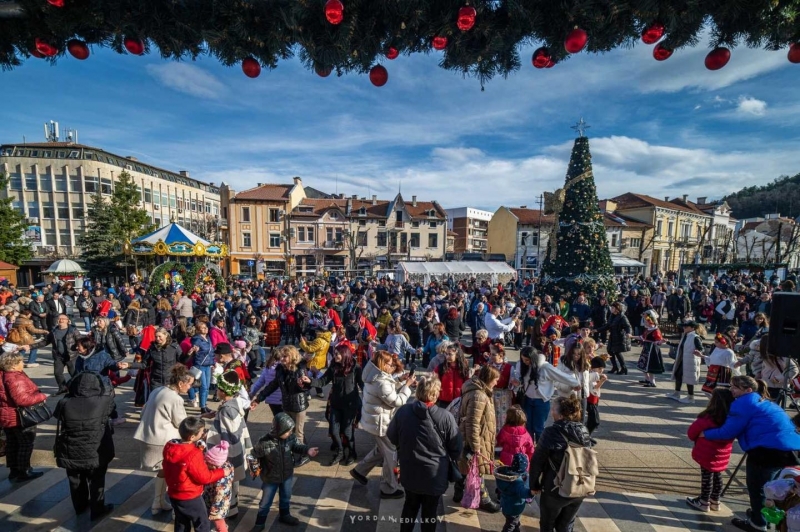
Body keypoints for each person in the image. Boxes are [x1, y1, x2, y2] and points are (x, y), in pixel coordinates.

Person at [703, 375, 800, 532]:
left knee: (758, 488)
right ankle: (763, 516)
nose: (731, 390)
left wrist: (704, 434)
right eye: (731, 386)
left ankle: (758, 524)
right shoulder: (762, 401)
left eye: (735, 387)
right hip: (787, 449)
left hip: (766, 452)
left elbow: (727, 432)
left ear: (748, 390)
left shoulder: (744, 404)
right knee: (772, 488)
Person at [387, 375, 462, 532]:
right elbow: (456, 448)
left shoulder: (404, 411)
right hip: (434, 474)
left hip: (409, 470)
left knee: (410, 506)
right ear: (435, 395)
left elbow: (392, 436)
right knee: (430, 512)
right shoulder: (445, 417)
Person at [53, 371, 116, 520]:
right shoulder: (105, 401)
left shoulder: (64, 402)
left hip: (71, 448)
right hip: (96, 449)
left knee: (75, 480)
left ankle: (80, 506)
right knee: (97, 479)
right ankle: (97, 509)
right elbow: (111, 411)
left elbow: (57, 415)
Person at [350, 350, 412, 499]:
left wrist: (401, 381)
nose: (392, 367)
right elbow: (396, 401)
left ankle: (359, 471)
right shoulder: (380, 381)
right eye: (390, 364)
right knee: (391, 453)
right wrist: (407, 386)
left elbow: (387, 387)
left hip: (375, 421)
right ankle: (389, 487)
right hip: (381, 424)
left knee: (381, 449)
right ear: (382, 364)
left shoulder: (373, 374)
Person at [133, 364, 194, 515]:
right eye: (189, 384)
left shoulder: (157, 390)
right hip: (163, 441)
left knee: (163, 471)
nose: (190, 387)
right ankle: (173, 507)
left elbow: (144, 412)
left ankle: (157, 502)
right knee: (173, 472)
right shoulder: (175, 398)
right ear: (181, 383)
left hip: (147, 435)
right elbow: (182, 423)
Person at [529, 396, 592, 532]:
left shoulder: (551, 432)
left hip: (555, 488)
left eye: (553, 409)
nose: (551, 412)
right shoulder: (584, 430)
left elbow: (537, 462)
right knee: (566, 524)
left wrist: (534, 485)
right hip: (579, 486)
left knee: (547, 524)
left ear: (560, 414)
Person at [162, 417, 231, 532]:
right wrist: (222, 472)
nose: (204, 433)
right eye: (202, 431)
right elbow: (204, 478)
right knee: (202, 523)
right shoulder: (193, 454)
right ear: (192, 437)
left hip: (174, 494)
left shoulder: (170, 446)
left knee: (181, 522)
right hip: (190, 496)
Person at [252, 412, 319, 529]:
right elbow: (253, 455)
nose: (290, 433)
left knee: (286, 496)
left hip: (287, 475)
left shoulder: (291, 438)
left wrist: (307, 450)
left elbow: (298, 446)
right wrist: (254, 467)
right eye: (287, 431)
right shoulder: (264, 442)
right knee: (265, 502)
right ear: (279, 429)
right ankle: (260, 523)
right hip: (270, 478)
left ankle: (285, 515)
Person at [300, 343, 364, 466]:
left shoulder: (356, 368)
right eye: (334, 354)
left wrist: (368, 396)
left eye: (337, 354)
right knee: (334, 431)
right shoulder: (333, 367)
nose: (335, 356)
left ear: (345, 354)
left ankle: (351, 453)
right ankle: (340, 452)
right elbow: (322, 381)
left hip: (350, 405)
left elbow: (362, 385)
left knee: (347, 431)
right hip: (336, 404)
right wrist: (310, 382)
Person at [453, 364, 502, 513]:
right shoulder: (479, 395)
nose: (497, 383)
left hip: (475, 437)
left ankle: (458, 492)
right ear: (488, 379)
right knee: (477, 470)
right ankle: (484, 499)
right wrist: (476, 447)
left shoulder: (478, 391)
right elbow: (472, 423)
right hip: (477, 439)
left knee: (466, 467)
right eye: (495, 379)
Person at [206, 371, 252, 518]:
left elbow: (228, 433)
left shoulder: (228, 409)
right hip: (237, 447)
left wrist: (219, 450)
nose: (216, 391)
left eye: (218, 388)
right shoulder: (235, 403)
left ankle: (230, 509)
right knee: (235, 478)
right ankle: (233, 505)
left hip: (229, 451)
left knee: (228, 481)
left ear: (223, 391)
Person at [251, 346, 311, 460]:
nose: (282, 359)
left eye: (285, 356)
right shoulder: (280, 369)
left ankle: (303, 455)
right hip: (286, 404)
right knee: (289, 430)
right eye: (282, 356)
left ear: (292, 356)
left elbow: (305, 387)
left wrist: (302, 385)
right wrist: (258, 399)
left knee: (298, 432)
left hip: (298, 405)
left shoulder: (299, 369)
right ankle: (294, 452)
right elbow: (273, 385)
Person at [513, 346, 580, 443]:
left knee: (539, 427)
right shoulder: (522, 365)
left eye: (527, 360)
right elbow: (522, 381)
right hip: (527, 399)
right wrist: (518, 383)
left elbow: (561, 376)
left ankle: (542, 449)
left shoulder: (545, 368)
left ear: (533, 358)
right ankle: (529, 448)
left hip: (541, 401)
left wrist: (575, 383)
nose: (525, 362)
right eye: (523, 360)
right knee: (528, 426)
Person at [0, 350, 47, 481]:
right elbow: (22, 400)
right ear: (13, 364)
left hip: (7, 416)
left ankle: (14, 470)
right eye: (20, 361)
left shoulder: (3, 374)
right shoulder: (14, 378)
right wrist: (41, 396)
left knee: (13, 443)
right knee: (25, 444)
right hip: (20, 417)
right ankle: (24, 471)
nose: (22, 363)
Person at [686, 388, 735, 513]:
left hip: (706, 453)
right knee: (718, 476)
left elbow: (691, 433)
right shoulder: (731, 419)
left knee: (707, 477)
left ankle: (704, 501)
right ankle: (715, 500)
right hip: (723, 454)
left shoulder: (707, 418)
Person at [130, 327, 182, 404]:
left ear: (165, 335)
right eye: (156, 336)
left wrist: (189, 354)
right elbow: (144, 364)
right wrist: (129, 365)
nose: (157, 339)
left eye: (159, 336)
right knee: (156, 402)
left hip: (170, 380)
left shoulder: (174, 347)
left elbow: (182, 360)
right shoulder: (152, 348)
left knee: (169, 403)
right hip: (156, 381)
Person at [667, 320, 706, 404]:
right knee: (678, 375)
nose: (684, 328)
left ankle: (690, 397)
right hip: (683, 359)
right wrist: (668, 342)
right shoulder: (686, 335)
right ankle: (676, 393)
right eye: (684, 326)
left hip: (690, 360)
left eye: (686, 326)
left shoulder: (695, 337)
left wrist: (698, 351)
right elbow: (680, 345)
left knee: (689, 378)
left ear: (692, 328)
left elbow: (701, 348)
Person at [757, 334, 798, 406]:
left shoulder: (782, 356)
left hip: (777, 387)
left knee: (769, 409)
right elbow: (764, 368)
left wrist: (778, 378)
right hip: (765, 384)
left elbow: (794, 369)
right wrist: (759, 374)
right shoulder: (766, 355)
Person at [495, 452, 532, 532]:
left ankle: (516, 529)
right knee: (510, 526)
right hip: (514, 509)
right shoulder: (517, 482)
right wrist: (531, 493)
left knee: (514, 522)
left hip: (506, 505)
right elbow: (523, 493)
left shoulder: (506, 475)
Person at [203, 441, 234, 532]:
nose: (206, 464)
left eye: (208, 463)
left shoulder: (221, 479)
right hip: (219, 501)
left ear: (215, 465)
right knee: (220, 520)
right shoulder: (228, 465)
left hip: (218, 505)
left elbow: (219, 494)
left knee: (219, 522)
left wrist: (214, 510)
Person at [46, 313, 80, 396]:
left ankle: (78, 389)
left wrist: (80, 347)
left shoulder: (73, 330)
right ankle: (63, 388)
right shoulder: (54, 331)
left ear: (68, 321)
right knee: (57, 373)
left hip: (71, 356)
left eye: (63, 319)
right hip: (58, 356)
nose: (61, 320)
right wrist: (30, 346)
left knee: (74, 374)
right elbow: (45, 341)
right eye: (59, 318)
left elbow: (80, 340)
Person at [595, 302, 631, 375]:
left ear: (617, 309)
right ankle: (614, 367)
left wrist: (628, 333)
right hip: (612, 336)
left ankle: (624, 368)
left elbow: (628, 326)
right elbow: (607, 326)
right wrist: (597, 330)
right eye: (611, 307)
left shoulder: (622, 316)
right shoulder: (612, 316)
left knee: (617, 352)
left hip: (620, 337)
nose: (611, 309)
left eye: (613, 308)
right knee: (610, 351)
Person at [188, 321, 215, 414]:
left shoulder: (208, 338)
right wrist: (195, 349)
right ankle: (202, 408)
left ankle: (204, 404)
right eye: (203, 328)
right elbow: (194, 347)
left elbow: (211, 352)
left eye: (206, 327)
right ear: (198, 330)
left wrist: (213, 363)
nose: (205, 329)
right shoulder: (197, 339)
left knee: (207, 386)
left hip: (208, 365)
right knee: (203, 386)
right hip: (200, 365)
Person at [432, 342, 470, 409]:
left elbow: (467, 385)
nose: (447, 356)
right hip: (443, 401)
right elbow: (433, 383)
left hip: (459, 401)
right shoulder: (440, 368)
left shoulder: (464, 369)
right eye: (446, 354)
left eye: (450, 354)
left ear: (457, 355)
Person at [635, 309, 665, 388]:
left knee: (650, 366)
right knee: (643, 365)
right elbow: (642, 337)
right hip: (647, 348)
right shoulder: (648, 329)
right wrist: (632, 336)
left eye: (646, 320)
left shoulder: (655, 330)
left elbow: (659, 340)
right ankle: (647, 379)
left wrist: (661, 341)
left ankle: (652, 382)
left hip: (652, 350)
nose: (645, 322)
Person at [249, 348, 283, 416]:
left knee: (277, 417)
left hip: (271, 399)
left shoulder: (267, 368)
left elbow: (259, 383)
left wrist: (252, 394)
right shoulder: (283, 368)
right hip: (282, 399)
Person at [586, 357, 608, 445]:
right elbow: (593, 389)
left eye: (602, 369)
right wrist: (601, 380)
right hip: (590, 400)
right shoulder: (591, 375)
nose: (601, 370)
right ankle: (586, 436)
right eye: (599, 368)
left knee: (593, 420)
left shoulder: (595, 375)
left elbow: (596, 388)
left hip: (594, 400)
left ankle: (587, 435)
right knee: (595, 420)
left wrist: (602, 381)